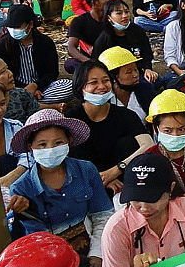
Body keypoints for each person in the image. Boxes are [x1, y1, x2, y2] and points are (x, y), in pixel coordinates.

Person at [8, 109, 114, 267]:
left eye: (58, 143)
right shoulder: (21, 187)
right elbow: (38, 238)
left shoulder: (86, 170)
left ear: (69, 141)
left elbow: (102, 216)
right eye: (42, 144)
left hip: (93, 250)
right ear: (31, 148)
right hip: (50, 261)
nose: (50, 149)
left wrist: (97, 255)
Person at [64, 61, 155, 193]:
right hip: (84, 183)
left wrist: (116, 171)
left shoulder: (125, 115)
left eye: (105, 80)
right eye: (93, 82)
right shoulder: (71, 119)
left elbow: (148, 145)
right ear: (81, 87)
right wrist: (100, 178)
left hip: (122, 182)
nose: (101, 86)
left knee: (129, 144)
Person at [143, 90, 185, 196]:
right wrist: (181, 200)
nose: (175, 135)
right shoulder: (148, 160)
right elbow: (146, 199)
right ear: (155, 129)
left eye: (182, 129)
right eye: (168, 131)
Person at [0, 5, 59, 101]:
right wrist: (25, 90)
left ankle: (31, 102)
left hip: (43, 88)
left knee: (67, 85)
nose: (14, 30)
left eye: (18, 26)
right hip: (15, 89)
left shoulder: (45, 43)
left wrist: (35, 85)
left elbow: (52, 72)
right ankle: (36, 103)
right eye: (11, 27)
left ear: (31, 24)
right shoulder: (3, 45)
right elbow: (2, 75)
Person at [93, 0, 157, 83]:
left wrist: (148, 69)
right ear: (109, 18)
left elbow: (146, 53)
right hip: (114, 78)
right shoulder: (104, 39)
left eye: (126, 12)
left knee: (156, 81)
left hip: (137, 73)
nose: (124, 16)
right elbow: (97, 63)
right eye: (119, 13)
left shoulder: (138, 31)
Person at [98, 46, 159, 122]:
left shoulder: (145, 90)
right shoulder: (103, 99)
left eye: (135, 70)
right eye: (129, 72)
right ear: (113, 78)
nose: (135, 75)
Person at [65, 0, 110, 72]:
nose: (110, 0)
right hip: (89, 59)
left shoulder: (112, 19)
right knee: (70, 64)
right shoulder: (79, 21)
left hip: (110, 58)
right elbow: (71, 48)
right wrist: (89, 62)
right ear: (94, 3)